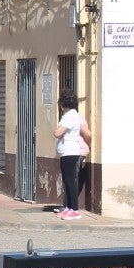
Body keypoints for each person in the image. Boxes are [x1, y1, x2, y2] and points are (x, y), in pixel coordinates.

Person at [53, 89, 87, 220]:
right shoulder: (69, 115)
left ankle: (75, 210)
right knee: (67, 181)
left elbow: (58, 132)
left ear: (64, 103)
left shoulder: (71, 115)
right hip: (65, 153)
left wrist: (57, 131)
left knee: (70, 181)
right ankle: (68, 207)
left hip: (70, 153)